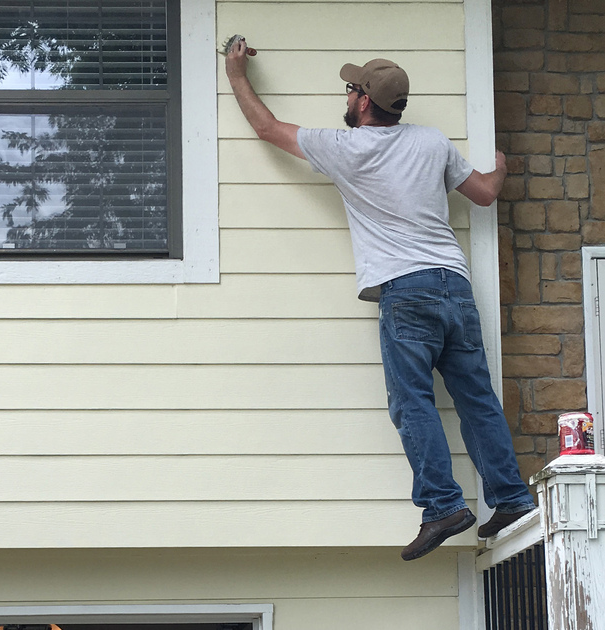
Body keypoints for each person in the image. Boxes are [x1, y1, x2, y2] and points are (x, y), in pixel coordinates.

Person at [224, 40, 536, 561]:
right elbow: (483, 192)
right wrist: (501, 166)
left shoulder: (347, 149)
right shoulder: (432, 143)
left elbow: (267, 128)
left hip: (405, 290)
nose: (346, 96)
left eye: (351, 89)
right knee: (476, 399)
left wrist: (236, 73)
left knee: (411, 400)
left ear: (365, 101)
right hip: (454, 285)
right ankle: (510, 498)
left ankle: (443, 505)